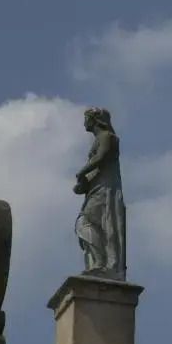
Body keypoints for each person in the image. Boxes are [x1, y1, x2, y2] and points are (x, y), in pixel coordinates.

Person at [73, 107, 127, 280]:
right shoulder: (98, 139)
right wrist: (84, 184)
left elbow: (101, 158)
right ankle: (99, 262)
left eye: (86, 118)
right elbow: (97, 167)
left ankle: (101, 263)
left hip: (105, 190)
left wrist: (81, 173)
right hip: (96, 189)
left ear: (94, 120)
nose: (83, 122)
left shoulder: (106, 137)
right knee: (88, 223)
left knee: (85, 222)